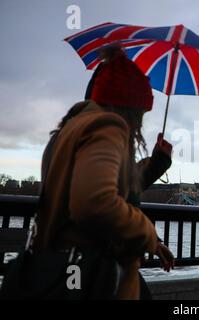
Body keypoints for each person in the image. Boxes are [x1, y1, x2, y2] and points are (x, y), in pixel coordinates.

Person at [33, 47, 175, 299]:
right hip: (95, 274)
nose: (140, 123)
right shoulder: (107, 126)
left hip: (65, 270)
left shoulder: (68, 131)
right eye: (140, 113)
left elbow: (119, 189)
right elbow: (95, 201)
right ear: (127, 109)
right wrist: (146, 231)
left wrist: (157, 161)